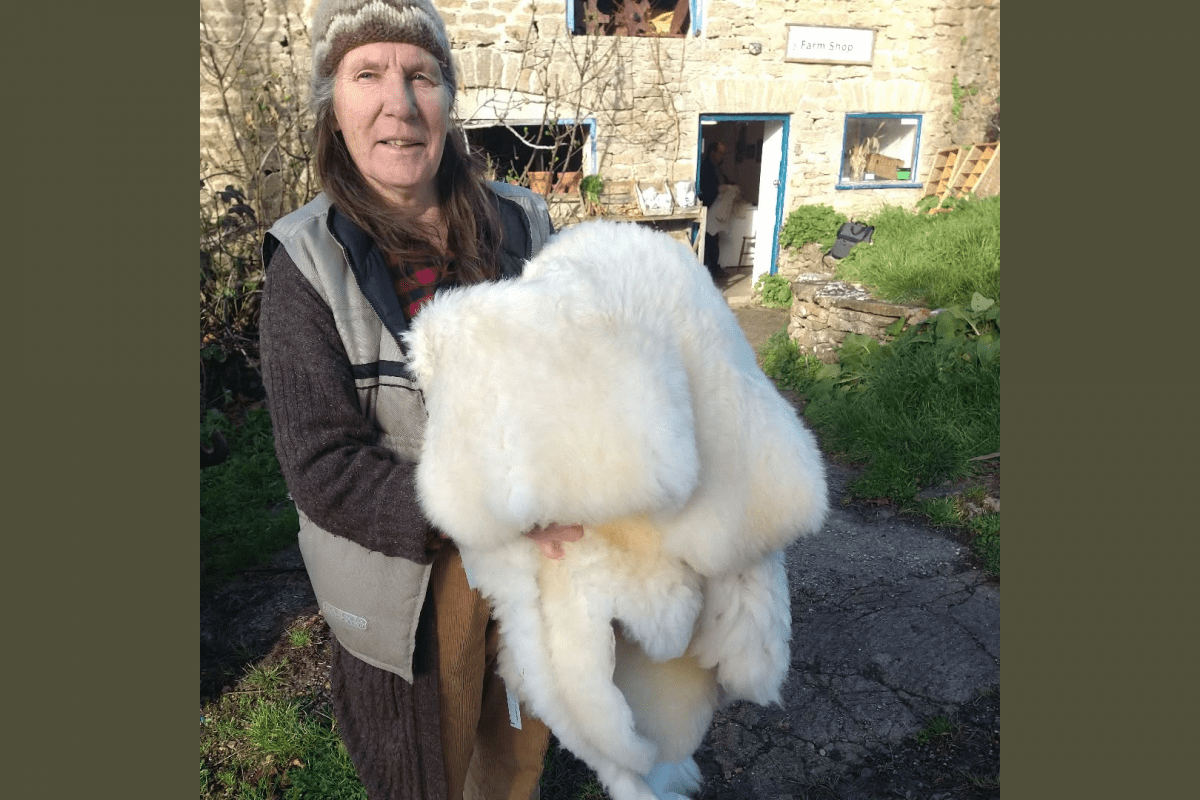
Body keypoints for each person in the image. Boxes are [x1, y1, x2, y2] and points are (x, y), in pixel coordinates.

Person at [257, 2, 583, 798]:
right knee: (424, 775)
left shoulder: (523, 224)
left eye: (421, 76)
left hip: (538, 559)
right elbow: (323, 467)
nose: (398, 105)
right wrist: (486, 506)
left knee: (515, 764)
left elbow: (583, 377)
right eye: (367, 74)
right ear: (333, 105)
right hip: (413, 583)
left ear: (448, 99)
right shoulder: (305, 265)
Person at [697, 140, 727, 283]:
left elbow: (723, 182)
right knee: (709, 241)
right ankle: (709, 272)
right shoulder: (706, 168)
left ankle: (713, 269)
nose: (722, 157)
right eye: (720, 153)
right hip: (708, 208)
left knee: (713, 239)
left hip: (716, 210)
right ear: (712, 153)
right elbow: (707, 189)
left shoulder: (717, 168)